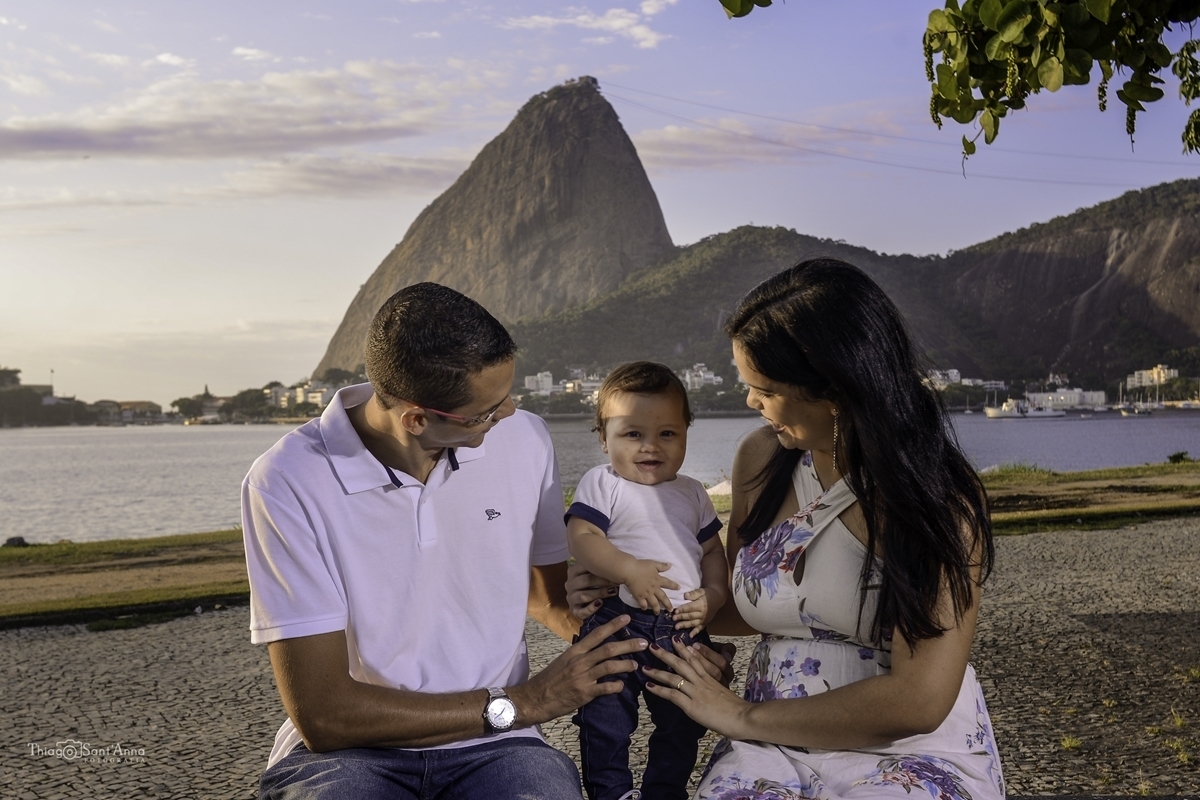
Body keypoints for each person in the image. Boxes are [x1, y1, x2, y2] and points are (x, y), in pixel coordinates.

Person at [577, 258, 1006, 799]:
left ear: (833, 388)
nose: (751, 403)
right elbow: (736, 604)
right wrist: (620, 584)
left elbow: (918, 701)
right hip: (768, 748)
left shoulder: (932, 498)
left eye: (765, 388)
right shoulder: (763, 458)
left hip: (902, 747)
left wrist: (740, 715)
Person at [241, 282, 648, 800]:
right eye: (488, 409)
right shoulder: (285, 480)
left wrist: (652, 646)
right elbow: (325, 715)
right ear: (415, 419)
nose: (509, 412)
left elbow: (545, 596)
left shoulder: (525, 437)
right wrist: (526, 702)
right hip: (349, 757)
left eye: (508, 395)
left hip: (502, 748)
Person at [566, 361, 729, 800]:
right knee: (604, 719)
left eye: (667, 434)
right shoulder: (603, 483)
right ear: (604, 439)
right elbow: (583, 538)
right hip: (617, 621)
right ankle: (611, 792)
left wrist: (713, 596)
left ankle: (665, 791)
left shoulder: (693, 492)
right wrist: (627, 569)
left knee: (684, 720)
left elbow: (713, 552)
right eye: (632, 434)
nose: (650, 447)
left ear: (686, 434)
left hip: (682, 627)